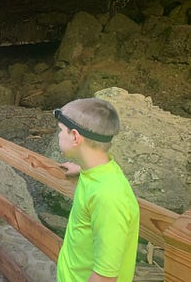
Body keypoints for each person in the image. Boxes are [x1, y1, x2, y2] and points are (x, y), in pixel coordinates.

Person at [54, 98, 140, 282]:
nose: (59, 135)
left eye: (60, 130)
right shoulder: (98, 171)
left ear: (75, 137)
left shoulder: (109, 196)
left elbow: (105, 276)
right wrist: (81, 169)